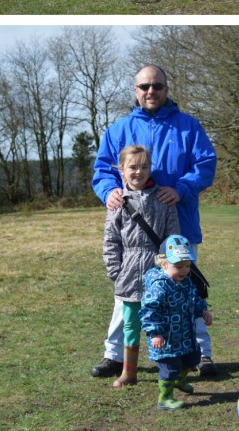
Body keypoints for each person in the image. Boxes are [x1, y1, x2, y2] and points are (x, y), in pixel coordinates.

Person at [92, 65, 217, 379]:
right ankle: (114, 356)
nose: (151, 91)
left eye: (157, 86)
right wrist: (109, 192)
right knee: (128, 300)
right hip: (134, 237)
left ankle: (201, 355)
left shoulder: (188, 127)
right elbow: (103, 172)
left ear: (166, 88)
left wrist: (181, 188)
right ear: (135, 90)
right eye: (145, 86)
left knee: (186, 295)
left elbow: (206, 164)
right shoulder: (118, 130)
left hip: (180, 229)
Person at [101, 144, 180, 388]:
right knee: (131, 326)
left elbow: (173, 237)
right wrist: (115, 271)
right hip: (129, 274)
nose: (139, 172)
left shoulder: (163, 199)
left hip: (159, 271)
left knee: (162, 325)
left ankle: (169, 372)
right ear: (122, 170)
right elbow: (111, 240)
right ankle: (129, 372)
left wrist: (171, 269)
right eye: (133, 167)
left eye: (144, 167)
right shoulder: (118, 202)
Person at [141, 234, 213, 411]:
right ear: (163, 263)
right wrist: (155, 333)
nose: (184, 271)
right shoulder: (159, 286)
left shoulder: (186, 281)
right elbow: (149, 311)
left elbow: (194, 298)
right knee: (169, 369)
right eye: (178, 266)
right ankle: (165, 398)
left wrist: (202, 310)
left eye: (187, 266)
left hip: (185, 335)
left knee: (192, 359)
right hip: (165, 339)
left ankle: (179, 382)